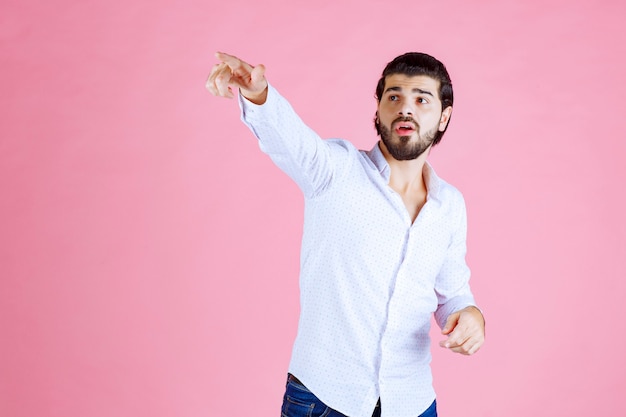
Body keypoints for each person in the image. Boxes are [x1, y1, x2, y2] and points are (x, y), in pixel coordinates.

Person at [206, 51, 485, 417]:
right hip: (324, 398)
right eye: (394, 96)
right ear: (379, 107)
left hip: (412, 401)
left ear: (444, 116)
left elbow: (454, 293)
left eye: (421, 99)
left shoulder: (450, 205)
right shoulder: (335, 171)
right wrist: (260, 94)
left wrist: (471, 316)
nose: (406, 108)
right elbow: (291, 140)